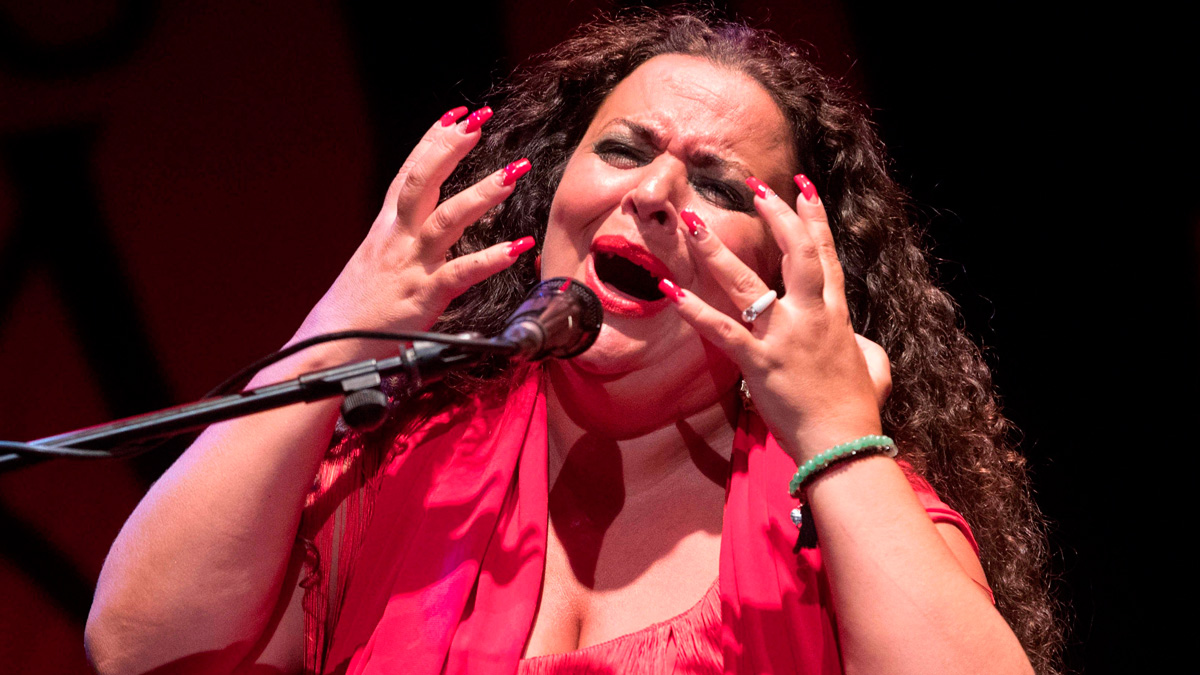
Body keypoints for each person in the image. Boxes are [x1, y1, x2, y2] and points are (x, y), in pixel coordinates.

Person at [84, 10, 1059, 675]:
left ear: (791, 264)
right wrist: (328, 339)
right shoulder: (394, 468)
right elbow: (137, 645)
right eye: (624, 150)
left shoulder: (843, 513)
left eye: (719, 186)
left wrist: (842, 438)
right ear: (557, 190)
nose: (650, 194)